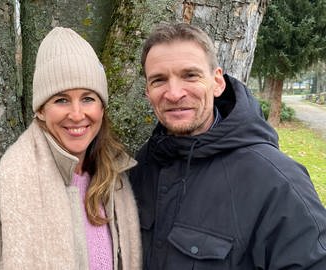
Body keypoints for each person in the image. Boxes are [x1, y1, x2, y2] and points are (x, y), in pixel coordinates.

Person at [130, 22, 326, 269]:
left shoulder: (276, 180)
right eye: (159, 80)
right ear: (147, 92)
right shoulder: (142, 166)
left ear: (217, 82)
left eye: (190, 75)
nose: (174, 93)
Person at [0, 27, 141, 269]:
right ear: (41, 110)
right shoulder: (1, 197)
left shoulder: (115, 183)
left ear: (102, 108)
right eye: (61, 100)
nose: (76, 114)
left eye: (88, 98)